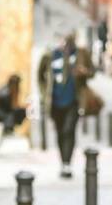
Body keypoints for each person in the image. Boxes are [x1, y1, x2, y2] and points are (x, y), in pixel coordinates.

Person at [38, 32, 94, 178]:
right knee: (60, 132)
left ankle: (67, 164)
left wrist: (84, 72)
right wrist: (44, 94)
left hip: (74, 101)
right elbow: (40, 75)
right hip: (55, 102)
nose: (67, 46)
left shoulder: (81, 54)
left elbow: (92, 71)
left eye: (70, 42)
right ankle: (63, 161)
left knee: (69, 130)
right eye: (65, 42)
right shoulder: (50, 55)